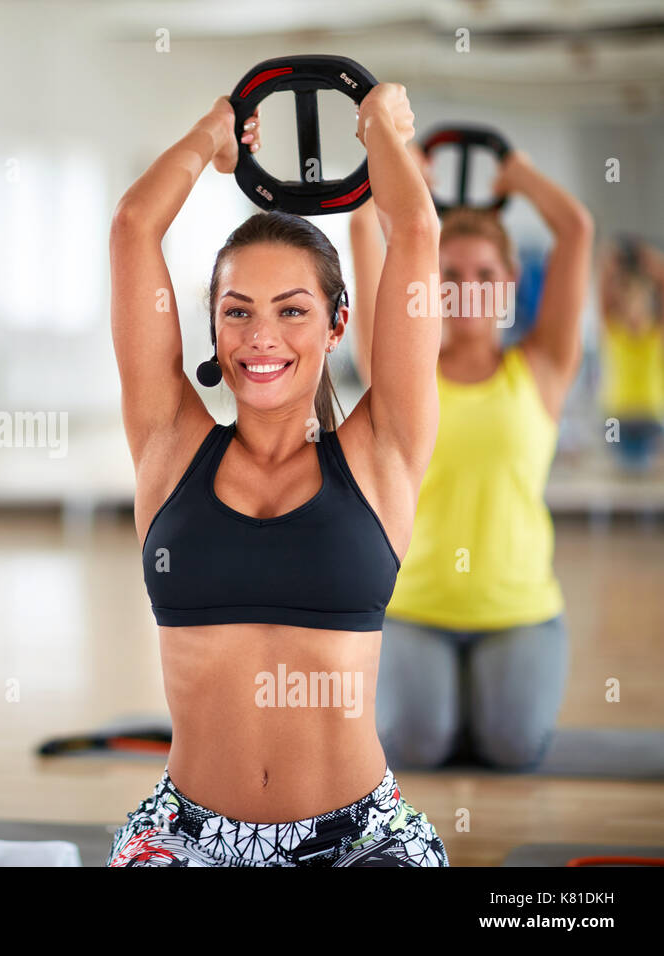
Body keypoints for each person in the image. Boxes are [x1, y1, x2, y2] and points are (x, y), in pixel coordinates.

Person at [107, 82, 449, 866]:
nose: (262, 337)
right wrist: (209, 136)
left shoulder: (382, 451)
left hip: (360, 837)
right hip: (187, 834)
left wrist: (379, 131)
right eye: (237, 310)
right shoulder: (167, 445)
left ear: (337, 325)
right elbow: (133, 228)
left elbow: (416, 233)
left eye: (292, 310)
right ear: (215, 324)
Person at [348, 143, 593, 770]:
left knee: (514, 750)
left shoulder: (542, 368)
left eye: (485, 275)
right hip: (413, 607)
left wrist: (521, 173)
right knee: (417, 749)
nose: (467, 292)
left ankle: (475, 701)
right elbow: (361, 228)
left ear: (509, 282)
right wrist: (401, 177)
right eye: (448, 276)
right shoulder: (400, 373)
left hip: (520, 611)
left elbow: (575, 229)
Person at [596, 237, 664, 474]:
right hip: (616, 416)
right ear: (621, 305)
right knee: (615, 470)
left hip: (651, 415)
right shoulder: (614, 332)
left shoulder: (655, 334)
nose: (634, 307)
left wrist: (650, 262)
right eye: (629, 301)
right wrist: (608, 265)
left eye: (640, 301)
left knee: (653, 473)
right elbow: (603, 296)